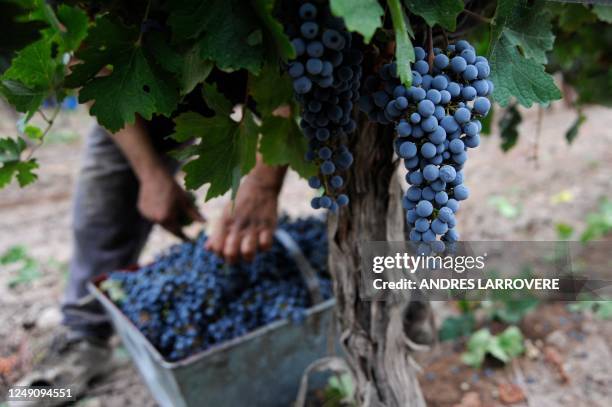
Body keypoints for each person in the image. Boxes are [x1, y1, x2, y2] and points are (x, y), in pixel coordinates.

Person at [12, 84, 288, 402]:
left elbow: (297, 73)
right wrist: (150, 174)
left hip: (271, 75)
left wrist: (263, 183)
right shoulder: (71, 39)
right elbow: (94, 76)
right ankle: (83, 334)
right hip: (152, 74)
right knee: (103, 206)